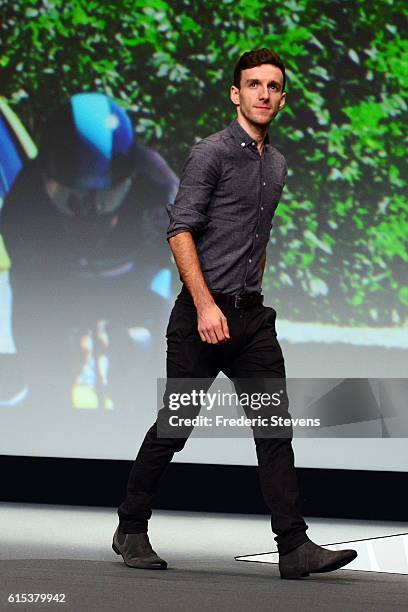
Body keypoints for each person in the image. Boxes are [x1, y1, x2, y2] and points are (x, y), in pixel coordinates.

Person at [113, 49, 357, 579]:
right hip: (201, 315)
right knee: (175, 425)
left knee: (275, 429)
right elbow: (180, 231)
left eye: (273, 86)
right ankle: (131, 527)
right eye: (253, 85)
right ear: (236, 93)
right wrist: (205, 304)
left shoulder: (277, 164)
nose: (264, 94)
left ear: (283, 97)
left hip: (250, 320)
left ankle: (293, 547)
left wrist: (250, 298)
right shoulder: (211, 154)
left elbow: (256, 239)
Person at [0, 92, 178, 409]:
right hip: (59, 278)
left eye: (106, 200)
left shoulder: (161, 196)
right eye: (71, 199)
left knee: (153, 357)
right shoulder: (22, 210)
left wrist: (142, 338)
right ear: (45, 182)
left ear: (131, 183)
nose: (89, 219)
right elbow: (31, 298)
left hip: (132, 277)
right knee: (52, 365)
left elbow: (170, 285)